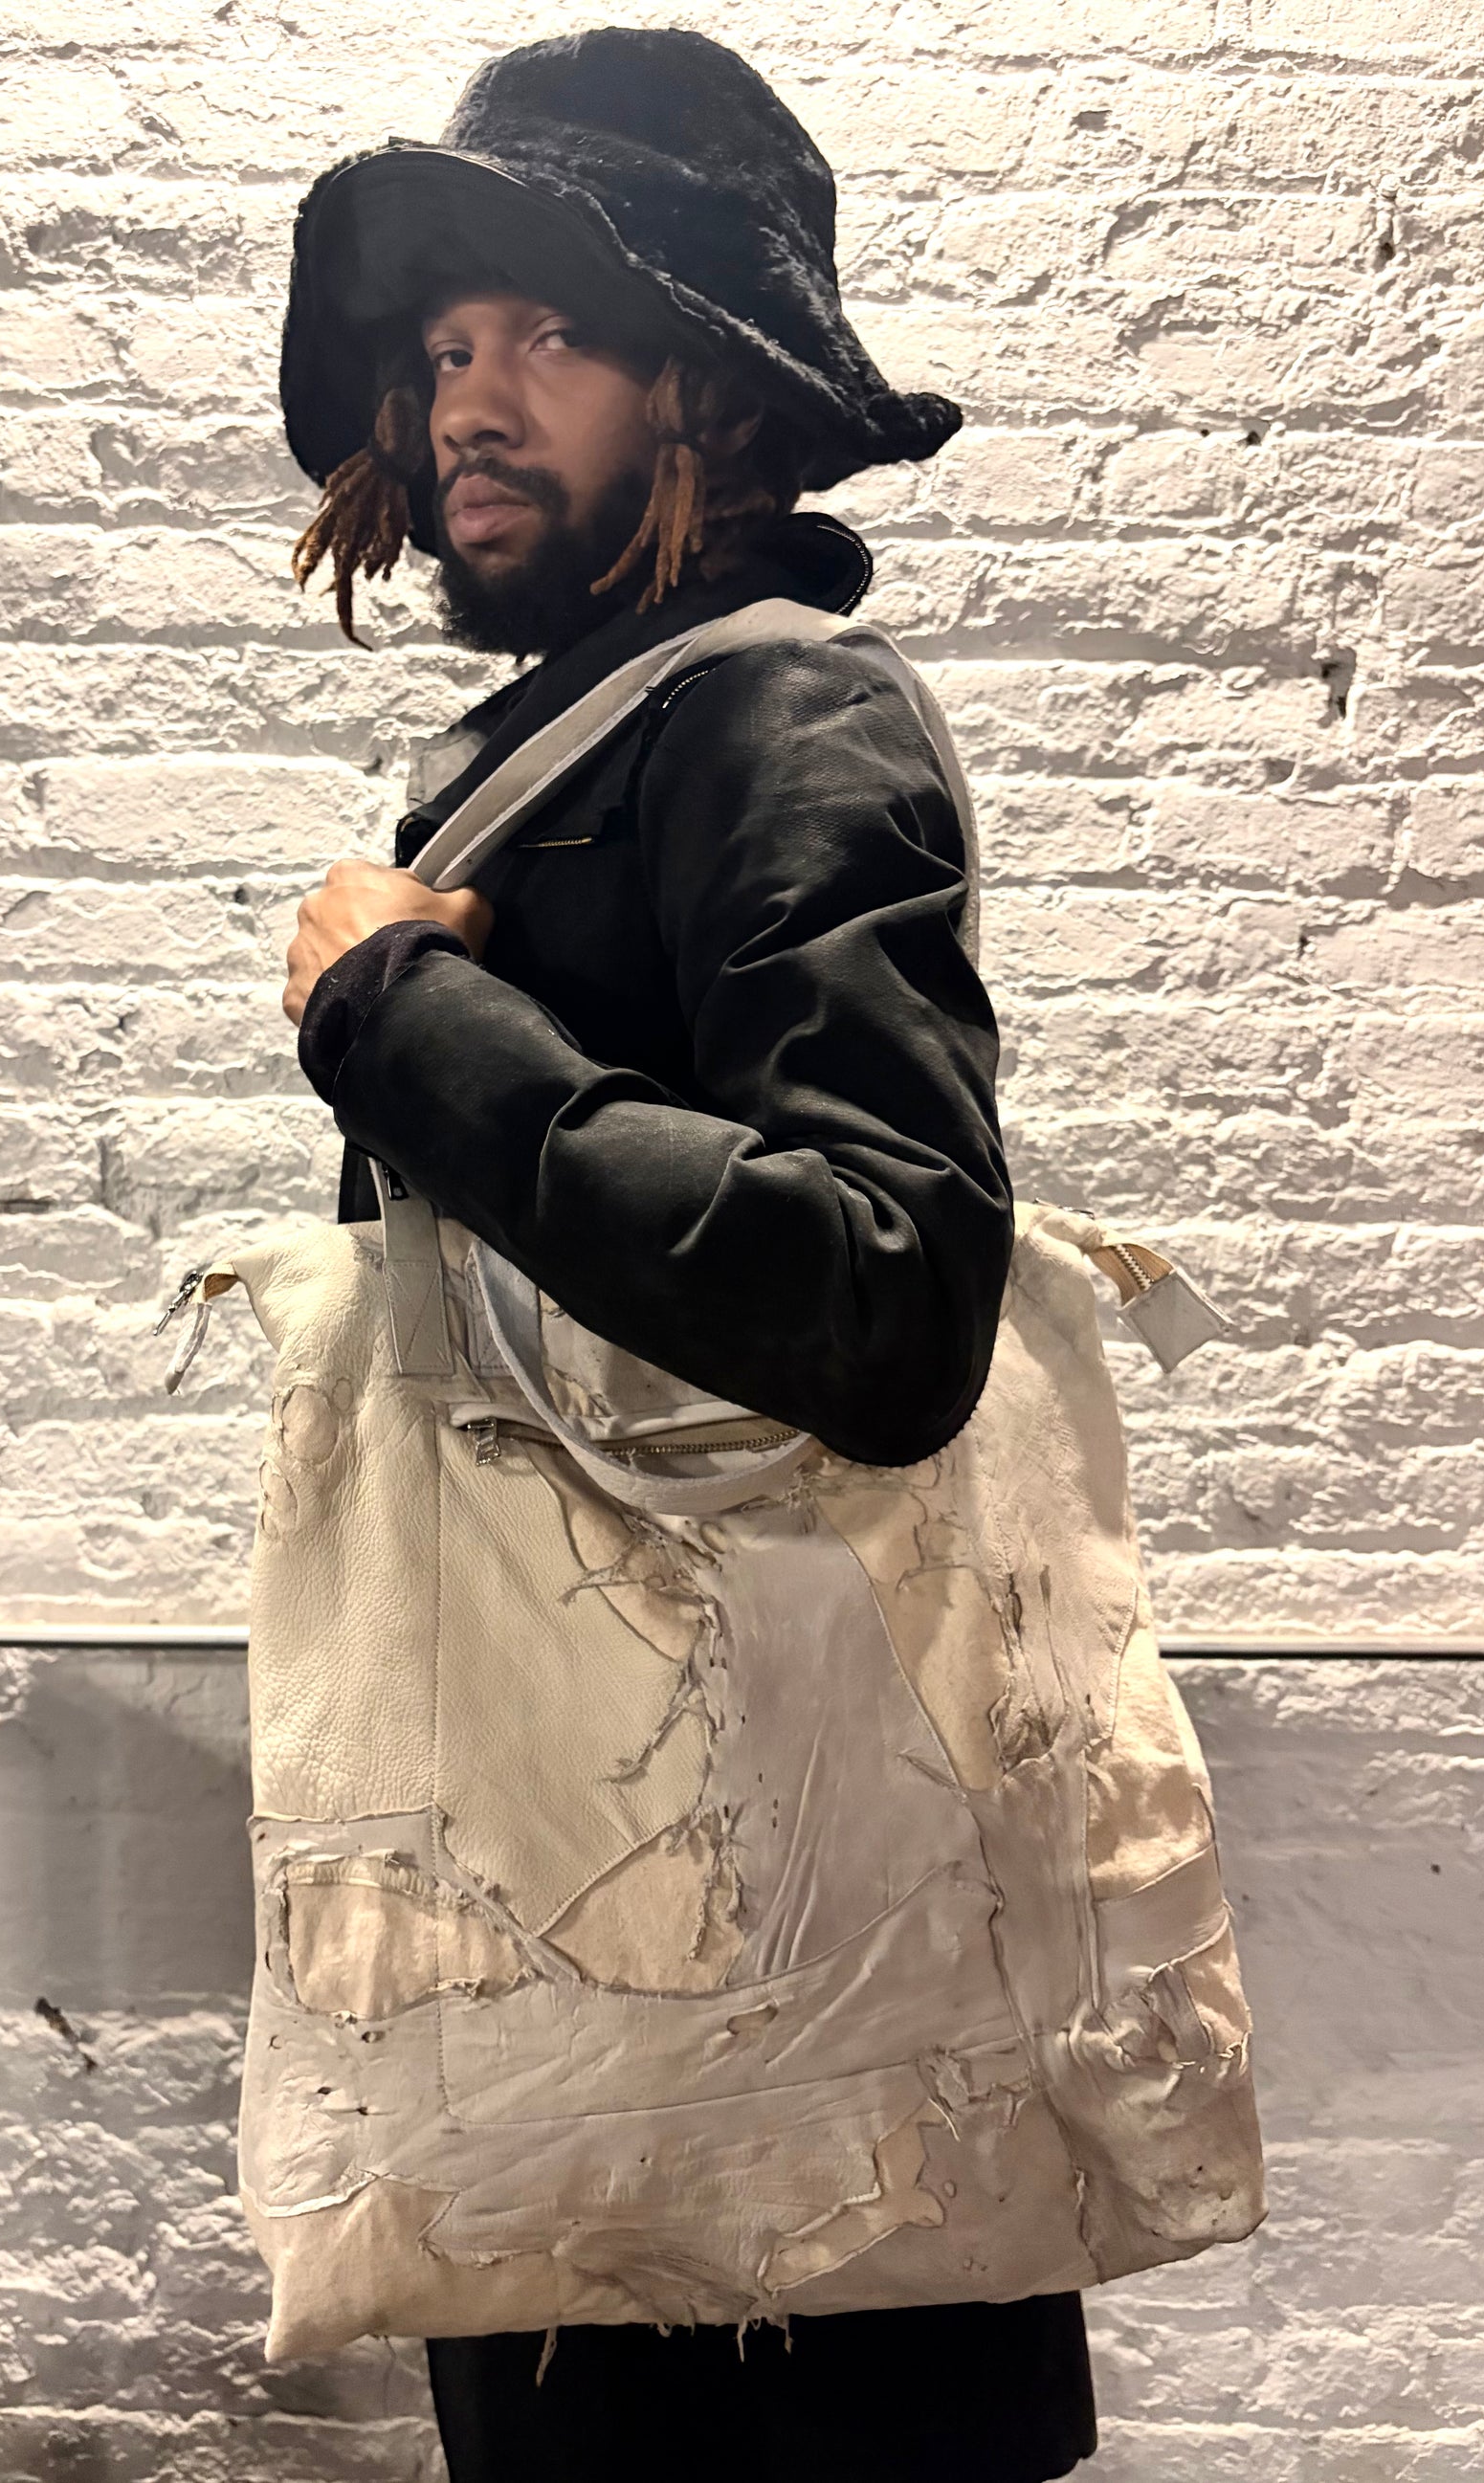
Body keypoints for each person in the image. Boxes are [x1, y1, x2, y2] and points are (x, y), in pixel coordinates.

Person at [275, 29, 1098, 2483]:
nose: (469, 397)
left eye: (552, 328)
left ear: (708, 392)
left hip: (762, 1936)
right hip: (614, 1890)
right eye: (444, 344)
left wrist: (400, 1012)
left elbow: (887, 1289)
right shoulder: (577, 742)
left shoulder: (780, 720)